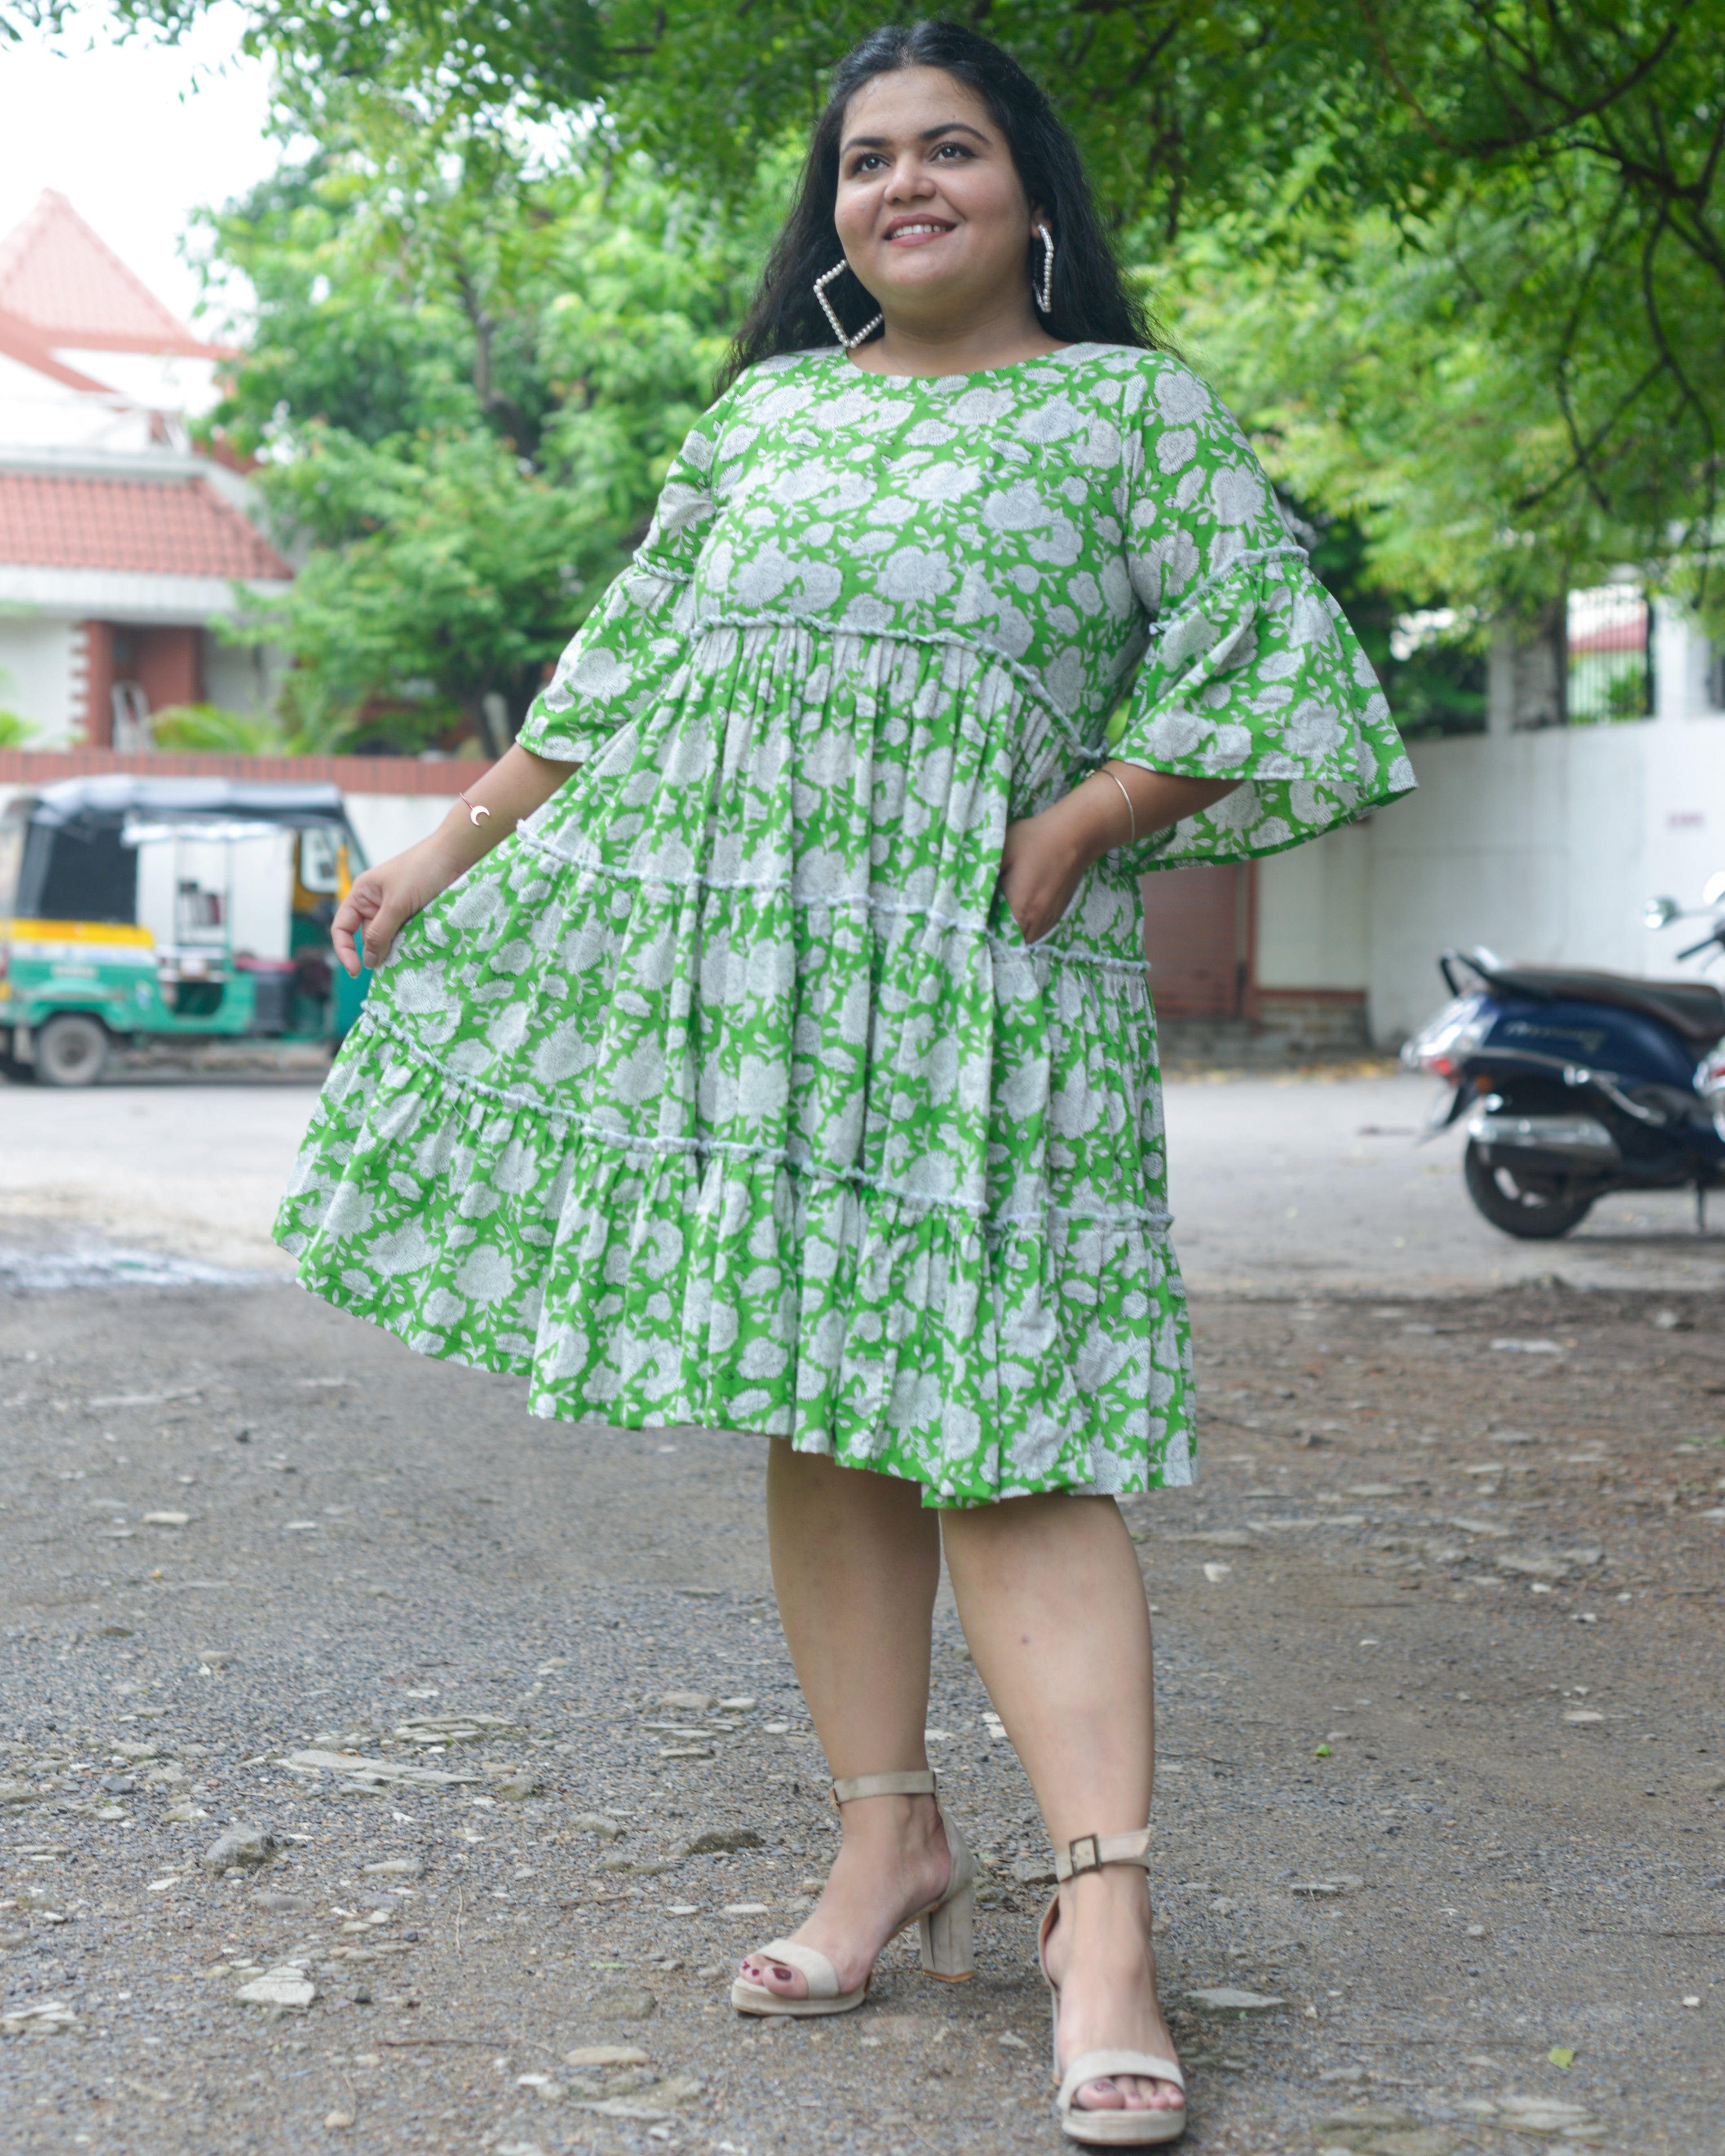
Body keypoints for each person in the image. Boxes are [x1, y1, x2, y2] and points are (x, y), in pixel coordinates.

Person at [277, 18, 1413, 2144]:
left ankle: (1105, 1923)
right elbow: (630, 667)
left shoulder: (1126, 412)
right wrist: (447, 842)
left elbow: (1276, 662)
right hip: (770, 971)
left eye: (950, 150)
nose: (904, 184)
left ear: (1029, 190)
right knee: (828, 1399)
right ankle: (886, 1840)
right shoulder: (771, 416)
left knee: (1004, 1427)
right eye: (869, 158)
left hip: (987, 974)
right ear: (837, 212)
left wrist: (1090, 817)